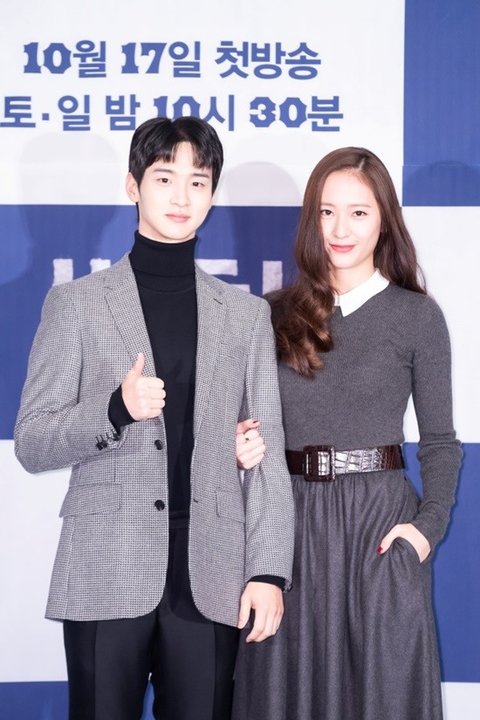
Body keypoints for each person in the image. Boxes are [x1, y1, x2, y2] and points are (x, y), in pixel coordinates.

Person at [14, 116, 294, 720]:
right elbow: (32, 441)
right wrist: (115, 409)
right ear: (133, 185)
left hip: (211, 570)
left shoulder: (245, 316)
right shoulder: (77, 304)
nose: (181, 196)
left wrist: (269, 571)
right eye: (165, 178)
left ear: (212, 195)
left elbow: (267, 454)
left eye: (198, 181)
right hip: (105, 567)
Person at [233, 147, 462, 720]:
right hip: (288, 530)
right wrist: (237, 449)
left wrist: (425, 531)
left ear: (384, 220)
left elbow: (439, 443)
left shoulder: (417, 317)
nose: (340, 229)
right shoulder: (270, 314)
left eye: (359, 213)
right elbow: (244, 429)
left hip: (378, 531)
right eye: (327, 212)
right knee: (283, 694)